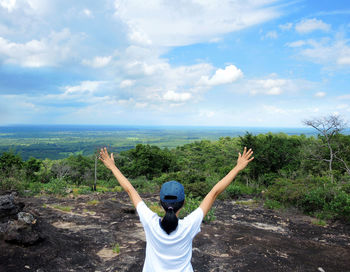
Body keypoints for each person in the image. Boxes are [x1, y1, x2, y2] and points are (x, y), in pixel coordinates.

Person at [99, 146, 254, 272]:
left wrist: (112, 167)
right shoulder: (189, 225)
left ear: (160, 202)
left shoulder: (150, 222)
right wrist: (237, 168)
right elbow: (214, 193)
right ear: (184, 202)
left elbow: (130, 190)